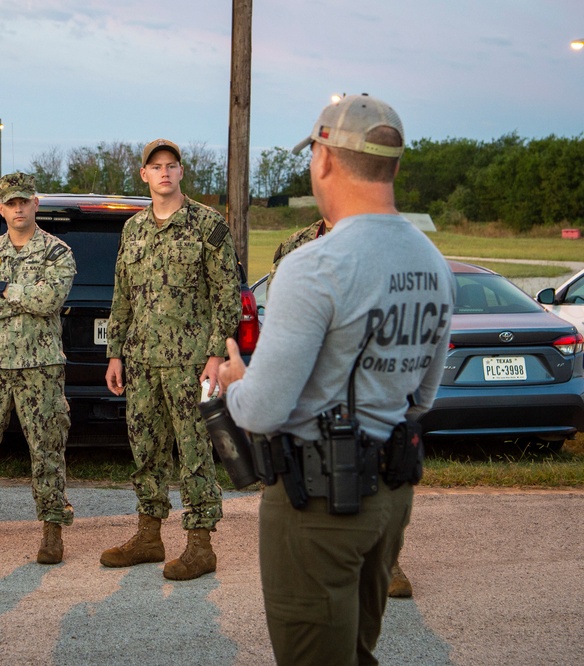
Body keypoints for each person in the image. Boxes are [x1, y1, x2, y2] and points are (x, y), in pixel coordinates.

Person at [218, 94, 453, 665]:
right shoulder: (432, 262)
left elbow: (262, 411)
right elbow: (422, 396)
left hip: (318, 505)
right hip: (390, 498)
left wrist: (234, 379)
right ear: (393, 167)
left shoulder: (315, 264)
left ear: (323, 159)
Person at [100, 139, 242, 581]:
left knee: (195, 450)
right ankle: (149, 535)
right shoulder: (134, 230)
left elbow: (227, 296)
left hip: (190, 363)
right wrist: (116, 353)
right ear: (143, 175)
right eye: (155, 167)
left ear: (181, 173)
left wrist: (215, 354)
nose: (164, 172)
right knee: (145, 449)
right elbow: (122, 296)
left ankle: (200, 545)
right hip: (141, 361)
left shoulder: (207, 225)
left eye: (171, 166)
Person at [271, 218, 414, 599]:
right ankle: (322, 560)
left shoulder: (390, 243)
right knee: (318, 469)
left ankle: (388, 560)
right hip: (316, 382)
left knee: (381, 467)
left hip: (371, 380)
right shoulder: (294, 245)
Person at [0, 172, 75, 565]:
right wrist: (25, 296)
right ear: (0, 208)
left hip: (41, 367)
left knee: (47, 448)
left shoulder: (58, 253)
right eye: (11, 203)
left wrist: (4, 289)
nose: (18, 208)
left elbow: (49, 300)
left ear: (36, 204)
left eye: (25, 201)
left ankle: (52, 530)